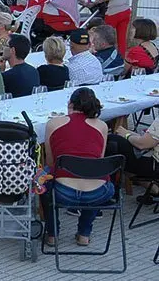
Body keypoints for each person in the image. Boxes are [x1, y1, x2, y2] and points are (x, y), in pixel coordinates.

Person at [42, 87, 111, 247]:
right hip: (97, 193)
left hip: (63, 191)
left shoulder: (53, 123)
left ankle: (52, 234)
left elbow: (51, 163)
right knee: (94, 174)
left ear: (70, 104)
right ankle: (84, 234)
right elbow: (99, 160)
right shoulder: (102, 126)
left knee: (42, 178)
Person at [108, 123, 159, 202]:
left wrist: (127, 135)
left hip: (155, 166)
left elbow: (142, 144)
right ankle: (154, 189)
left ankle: (109, 193)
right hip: (154, 160)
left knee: (113, 141)